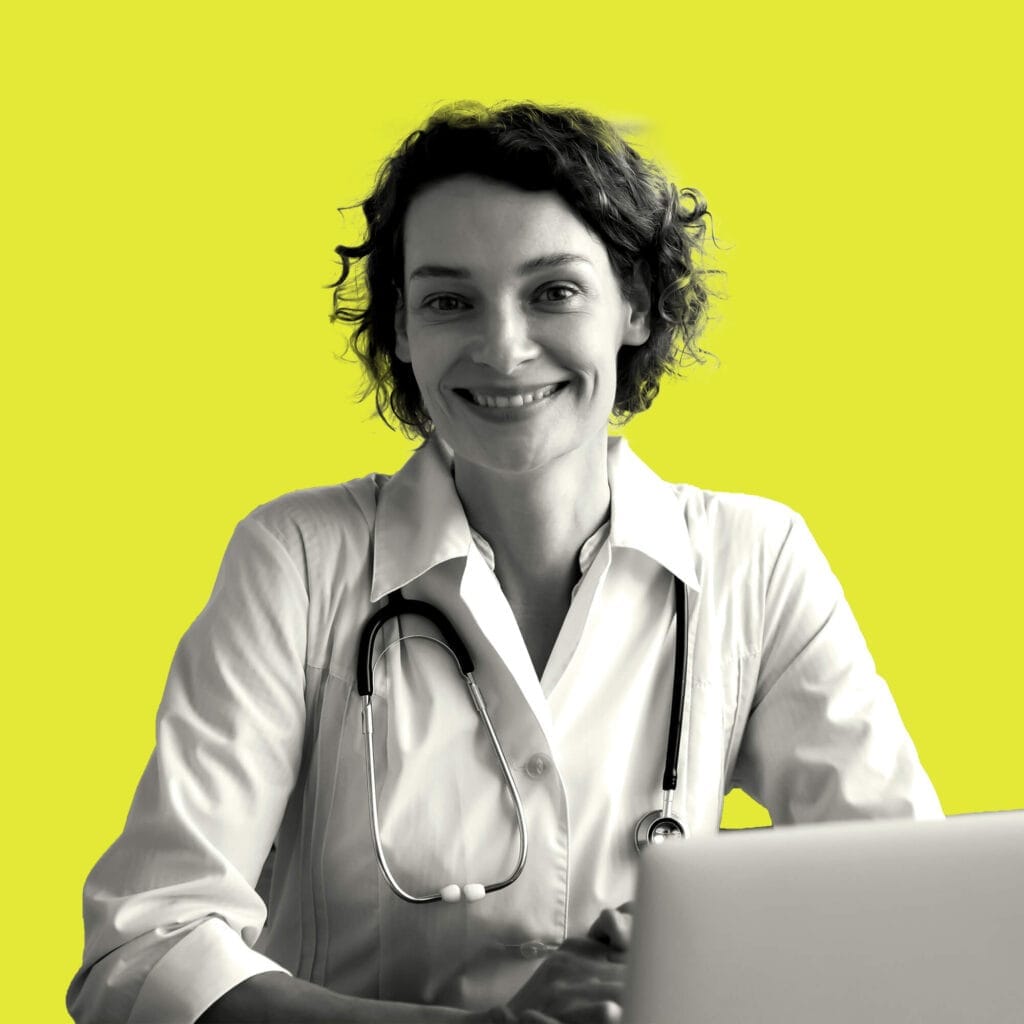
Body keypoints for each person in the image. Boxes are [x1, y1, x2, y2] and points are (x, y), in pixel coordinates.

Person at [68, 102, 943, 1024]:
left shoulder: (756, 561)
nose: (504, 348)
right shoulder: (298, 558)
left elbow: (910, 905)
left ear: (635, 306)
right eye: (449, 301)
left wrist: (720, 957)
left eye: (554, 291)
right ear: (402, 330)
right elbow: (148, 953)